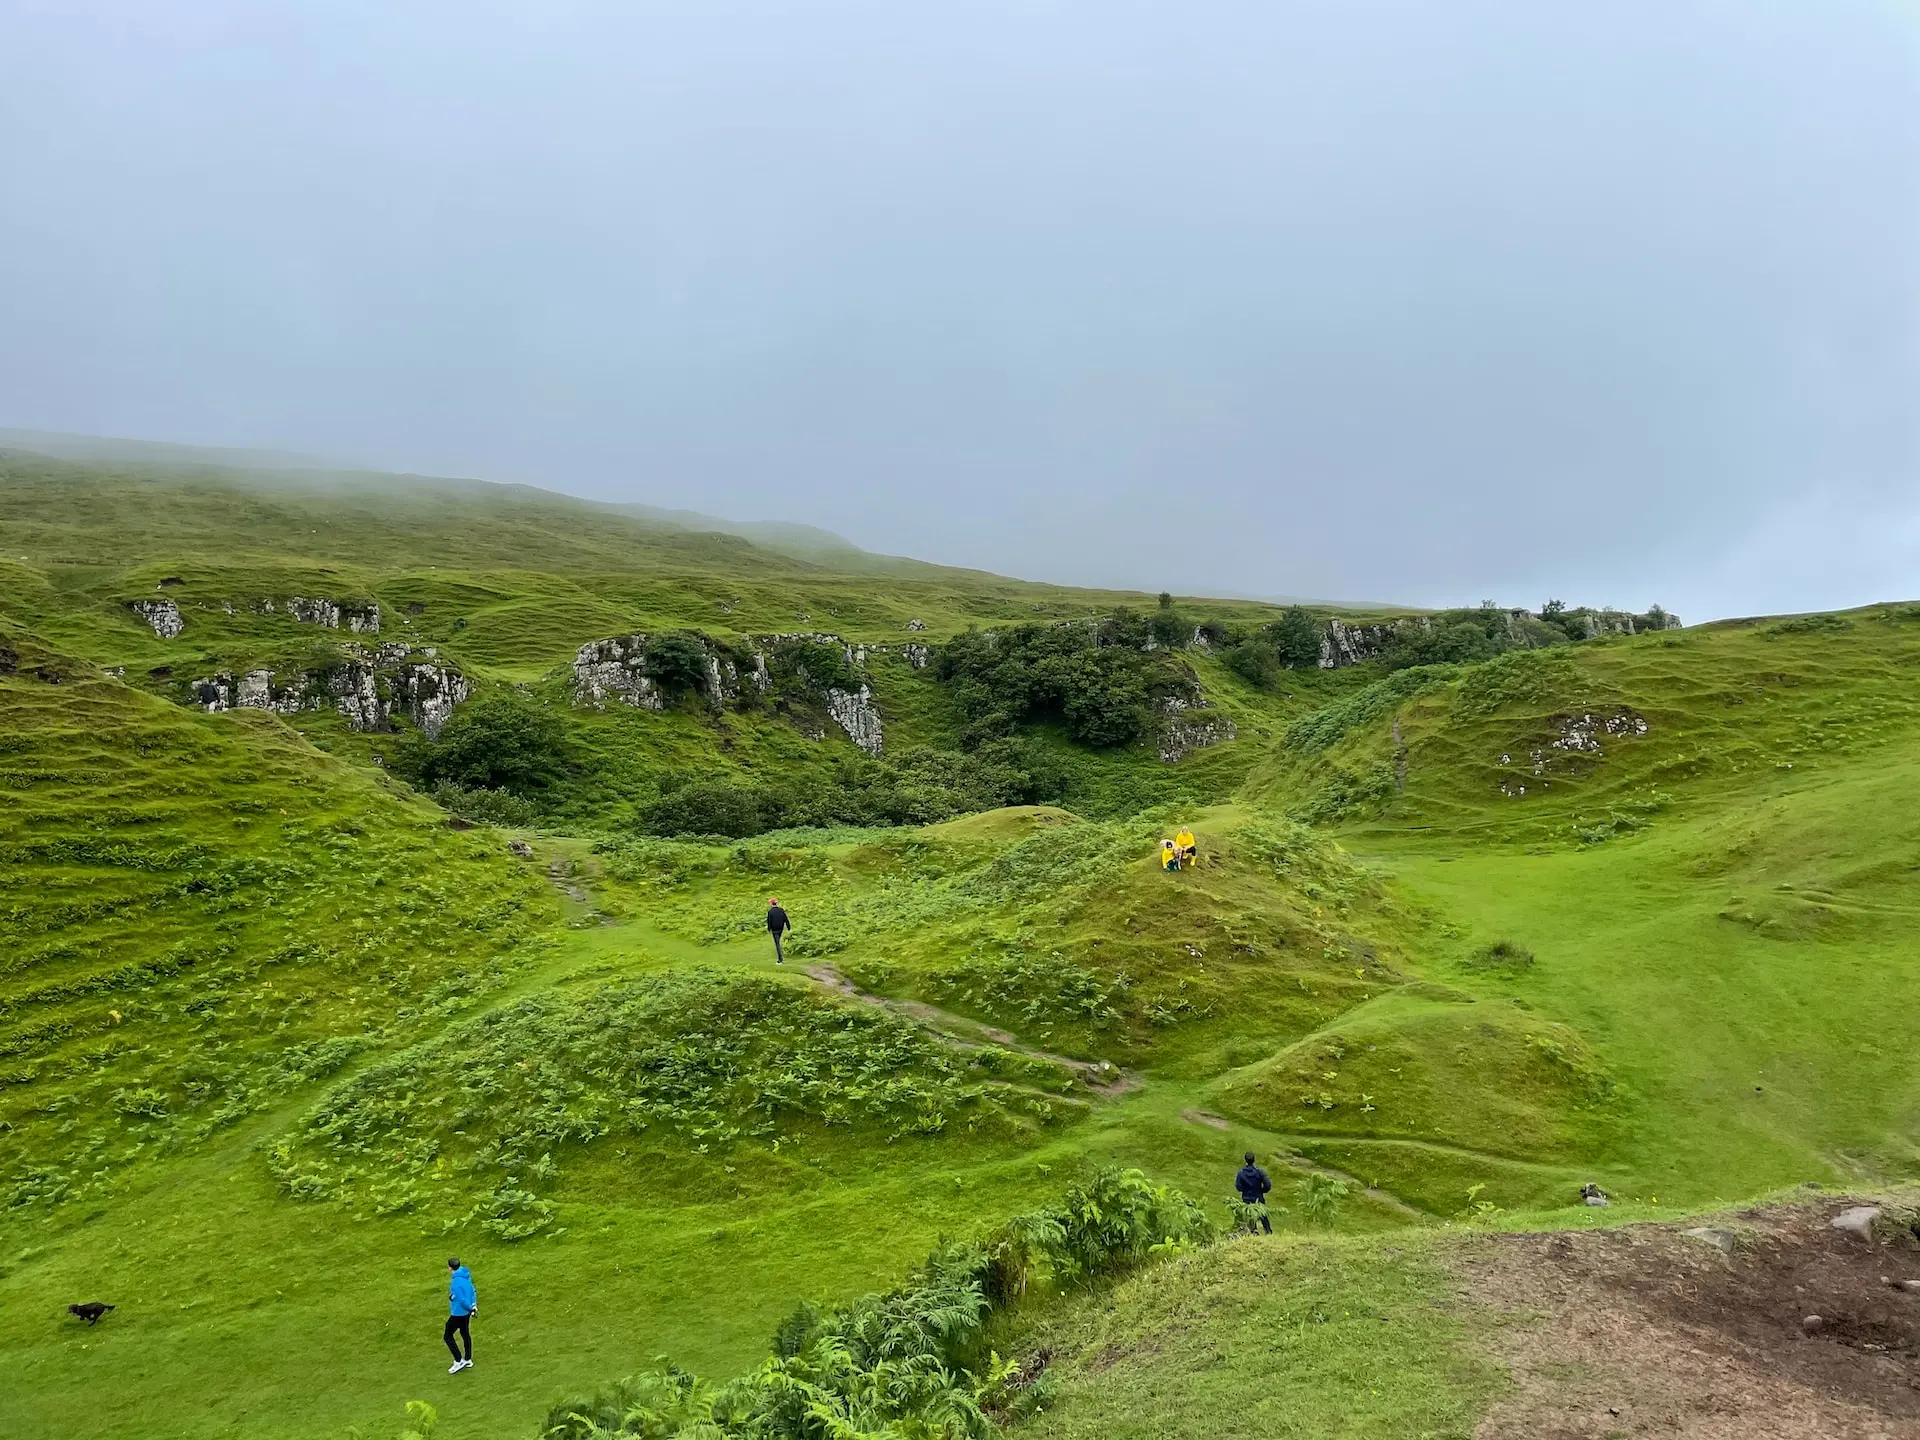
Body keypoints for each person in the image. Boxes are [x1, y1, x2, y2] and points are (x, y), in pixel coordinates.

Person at [444, 1257, 476, 1373]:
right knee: (465, 1333)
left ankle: (458, 1360)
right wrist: (473, 1306)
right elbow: (472, 1291)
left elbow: (462, 1299)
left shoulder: (455, 1283)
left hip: (458, 1313)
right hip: (466, 1313)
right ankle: (468, 1359)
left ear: (450, 1268)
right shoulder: (466, 1275)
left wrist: (469, 1307)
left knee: (447, 1336)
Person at [1234, 1151, 1272, 1234]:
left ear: (1245, 1160)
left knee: (1250, 1215)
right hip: (1258, 1197)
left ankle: (1254, 1231)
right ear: (1254, 1160)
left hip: (1247, 1198)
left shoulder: (1241, 1173)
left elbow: (1238, 1187)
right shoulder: (1260, 1172)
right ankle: (1268, 1231)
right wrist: (1262, 1190)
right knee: (1262, 1215)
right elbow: (1268, 1185)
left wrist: (1244, 1190)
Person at [766, 897, 792, 963]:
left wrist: (769, 929)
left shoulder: (770, 911)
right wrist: (788, 926)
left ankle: (780, 959)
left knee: (777, 944)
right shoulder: (781, 910)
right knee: (778, 942)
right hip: (780, 928)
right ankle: (781, 956)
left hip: (774, 929)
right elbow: (785, 918)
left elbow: (769, 921)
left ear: (771, 904)